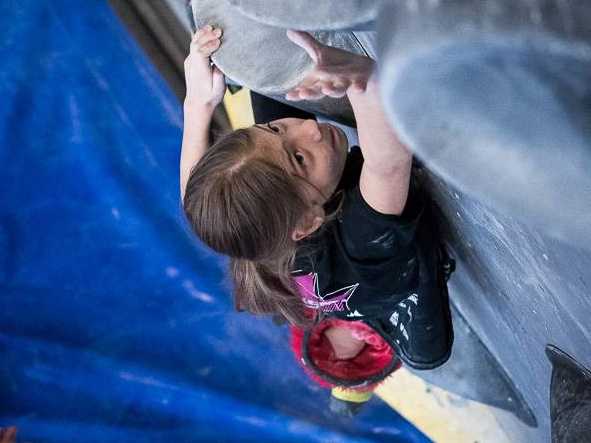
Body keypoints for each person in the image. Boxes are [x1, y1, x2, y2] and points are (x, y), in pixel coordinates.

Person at [180, 25, 453, 371]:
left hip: (300, 217)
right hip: (390, 289)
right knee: (426, 351)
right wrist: (360, 76)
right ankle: (366, 363)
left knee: (271, 84)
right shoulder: (361, 240)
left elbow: (195, 195)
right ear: (310, 219)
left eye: (275, 130)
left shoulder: (259, 222)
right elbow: (388, 164)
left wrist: (198, 104)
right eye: (299, 157)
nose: (310, 130)